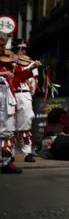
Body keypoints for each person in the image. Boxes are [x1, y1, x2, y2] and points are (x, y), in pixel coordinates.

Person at [12, 40, 37, 163]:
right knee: (10, 124)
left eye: (24, 50)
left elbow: (34, 81)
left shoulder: (30, 63)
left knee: (26, 123)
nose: (23, 52)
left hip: (25, 95)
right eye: (21, 50)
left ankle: (27, 152)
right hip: (12, 95)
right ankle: (9, 152)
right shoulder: (11, 63)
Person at [0, 32, 20, 174]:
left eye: (4, 41)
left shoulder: (8, 58)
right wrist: (2, 73)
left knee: (8, 127)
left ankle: (6, 162)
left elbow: (19, 75)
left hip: (6, 93)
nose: (2, 44)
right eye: (0, 41)